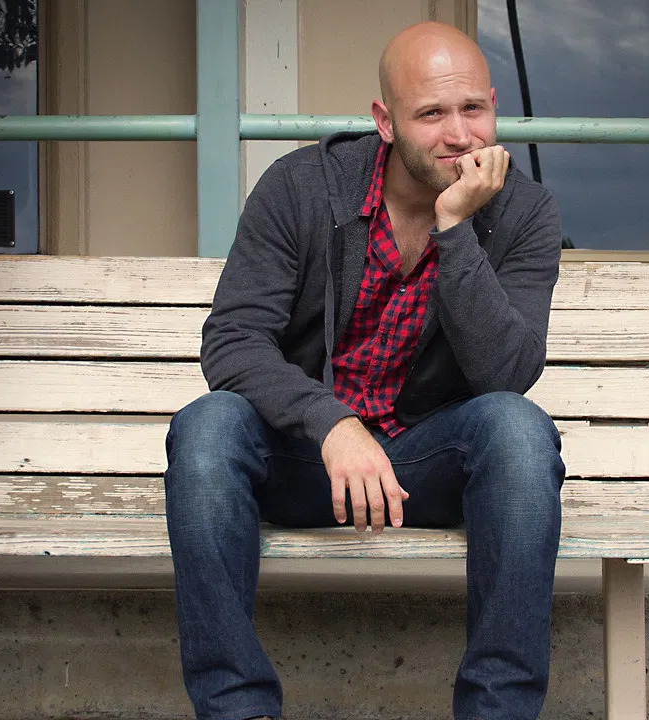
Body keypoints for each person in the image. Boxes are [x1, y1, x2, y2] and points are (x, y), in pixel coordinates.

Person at [164, 20, 565, 720]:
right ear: (385, 121)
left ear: (494, 105)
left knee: (519, 430)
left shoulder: (523, 213)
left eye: (473, 108)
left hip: (419, 468)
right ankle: (237, 710)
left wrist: (455, 229)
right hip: (304, 460)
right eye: (431, 113)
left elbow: (507, 372)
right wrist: (333, 424)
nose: (460, 135)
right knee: (206, 429)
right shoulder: (301, 188)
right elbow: (233, 340)